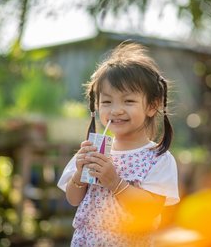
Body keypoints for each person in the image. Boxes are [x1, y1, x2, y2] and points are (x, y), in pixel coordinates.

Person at [57, 41, 180, 246]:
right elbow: (73, 199)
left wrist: (115, 182)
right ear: (96, 106)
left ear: (152, 106)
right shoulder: (94, 151)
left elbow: (150, 210)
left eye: (128, 101)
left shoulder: (158, 159)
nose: (115, 110)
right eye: (107, 102)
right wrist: (80, 174)